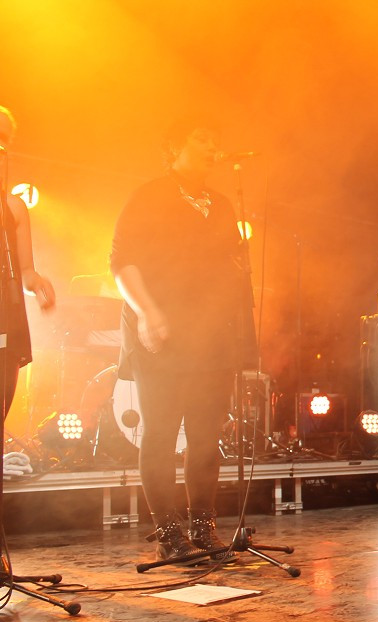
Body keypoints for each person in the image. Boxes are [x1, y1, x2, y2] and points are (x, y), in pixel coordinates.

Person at [110, 118, 255, 563]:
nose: (213, 146)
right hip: (161, 331)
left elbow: (233, 271)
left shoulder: (224, 204)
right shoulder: (150, 195)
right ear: (174, 147)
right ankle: (169, 531)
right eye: (202, 137)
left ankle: (203, 527)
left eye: (216, 138)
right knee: (160, 434)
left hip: (211, 335)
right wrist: (149, 312)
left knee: (206, 437)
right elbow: (121, 262)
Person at [0, 105, 55, 477]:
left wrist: (37, 284)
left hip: (6, 313)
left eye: (5, 140)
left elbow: (25, 269)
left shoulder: (14, 207)